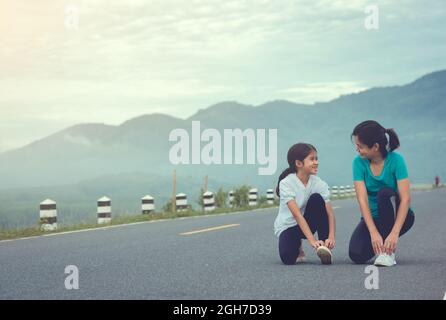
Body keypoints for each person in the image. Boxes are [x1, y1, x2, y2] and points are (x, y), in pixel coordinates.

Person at [349, 120, 414, 267]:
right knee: (356, 254)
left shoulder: (397, 160)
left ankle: (388, 252)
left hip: (399, 216)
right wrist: (373, 232)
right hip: (374, 219)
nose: (357, 150)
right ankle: (382, 244)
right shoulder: (358, 162)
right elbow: (362, 199)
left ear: (376, 147)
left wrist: (394, 233)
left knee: (384, 193)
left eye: (360, 146)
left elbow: (405, 199)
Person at [274, 143, 336, 265]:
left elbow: (330, 213)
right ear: (298, 163)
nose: (316, 162)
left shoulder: (319, 183)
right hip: (290, 226)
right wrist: (312, 241)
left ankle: (324, 248)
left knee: (317, 199)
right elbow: (297, 215)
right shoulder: (286, 183)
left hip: (309, 222)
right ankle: (298, 246)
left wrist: (331, 236)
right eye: (312, 159)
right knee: (288, 259)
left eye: (316, 158)